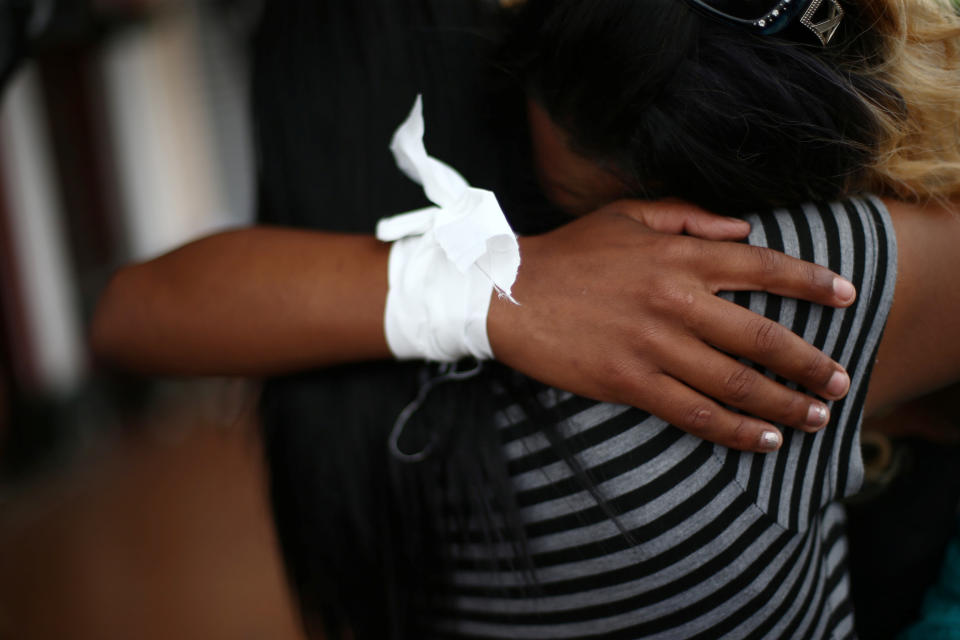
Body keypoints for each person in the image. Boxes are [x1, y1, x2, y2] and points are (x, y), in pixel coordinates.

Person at [89, 0, 960, 638]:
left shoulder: (354, 452)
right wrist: (507, 284)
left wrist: (473, 290)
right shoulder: (742, 301)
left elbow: (128, 311)